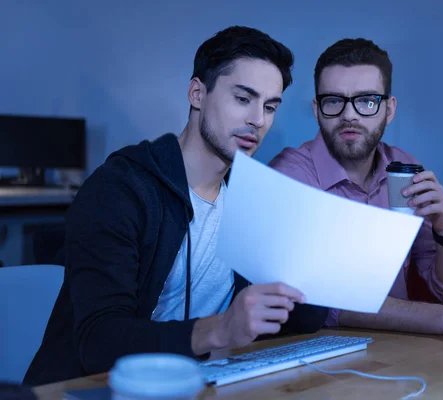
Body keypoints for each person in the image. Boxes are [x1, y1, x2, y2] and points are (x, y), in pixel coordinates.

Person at [24, 26, 328, 386]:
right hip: (92, 390)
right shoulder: (119, 189)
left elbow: (299, 322)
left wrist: (316, 258)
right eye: (243, 99)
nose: (258, 120)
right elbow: (98, 343)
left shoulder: (252, 201)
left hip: (199, 385)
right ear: (197, 93)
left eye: (270, 106)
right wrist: (219, 329)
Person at [268, 38, 443, 338]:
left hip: (397, 353)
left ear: (389, 109)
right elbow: (321, 300)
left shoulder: (403, 166)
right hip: (318, 360)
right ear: (317, 109)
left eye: (366, 101)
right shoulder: (290, 176)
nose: (349, 115)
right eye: (334, 101)